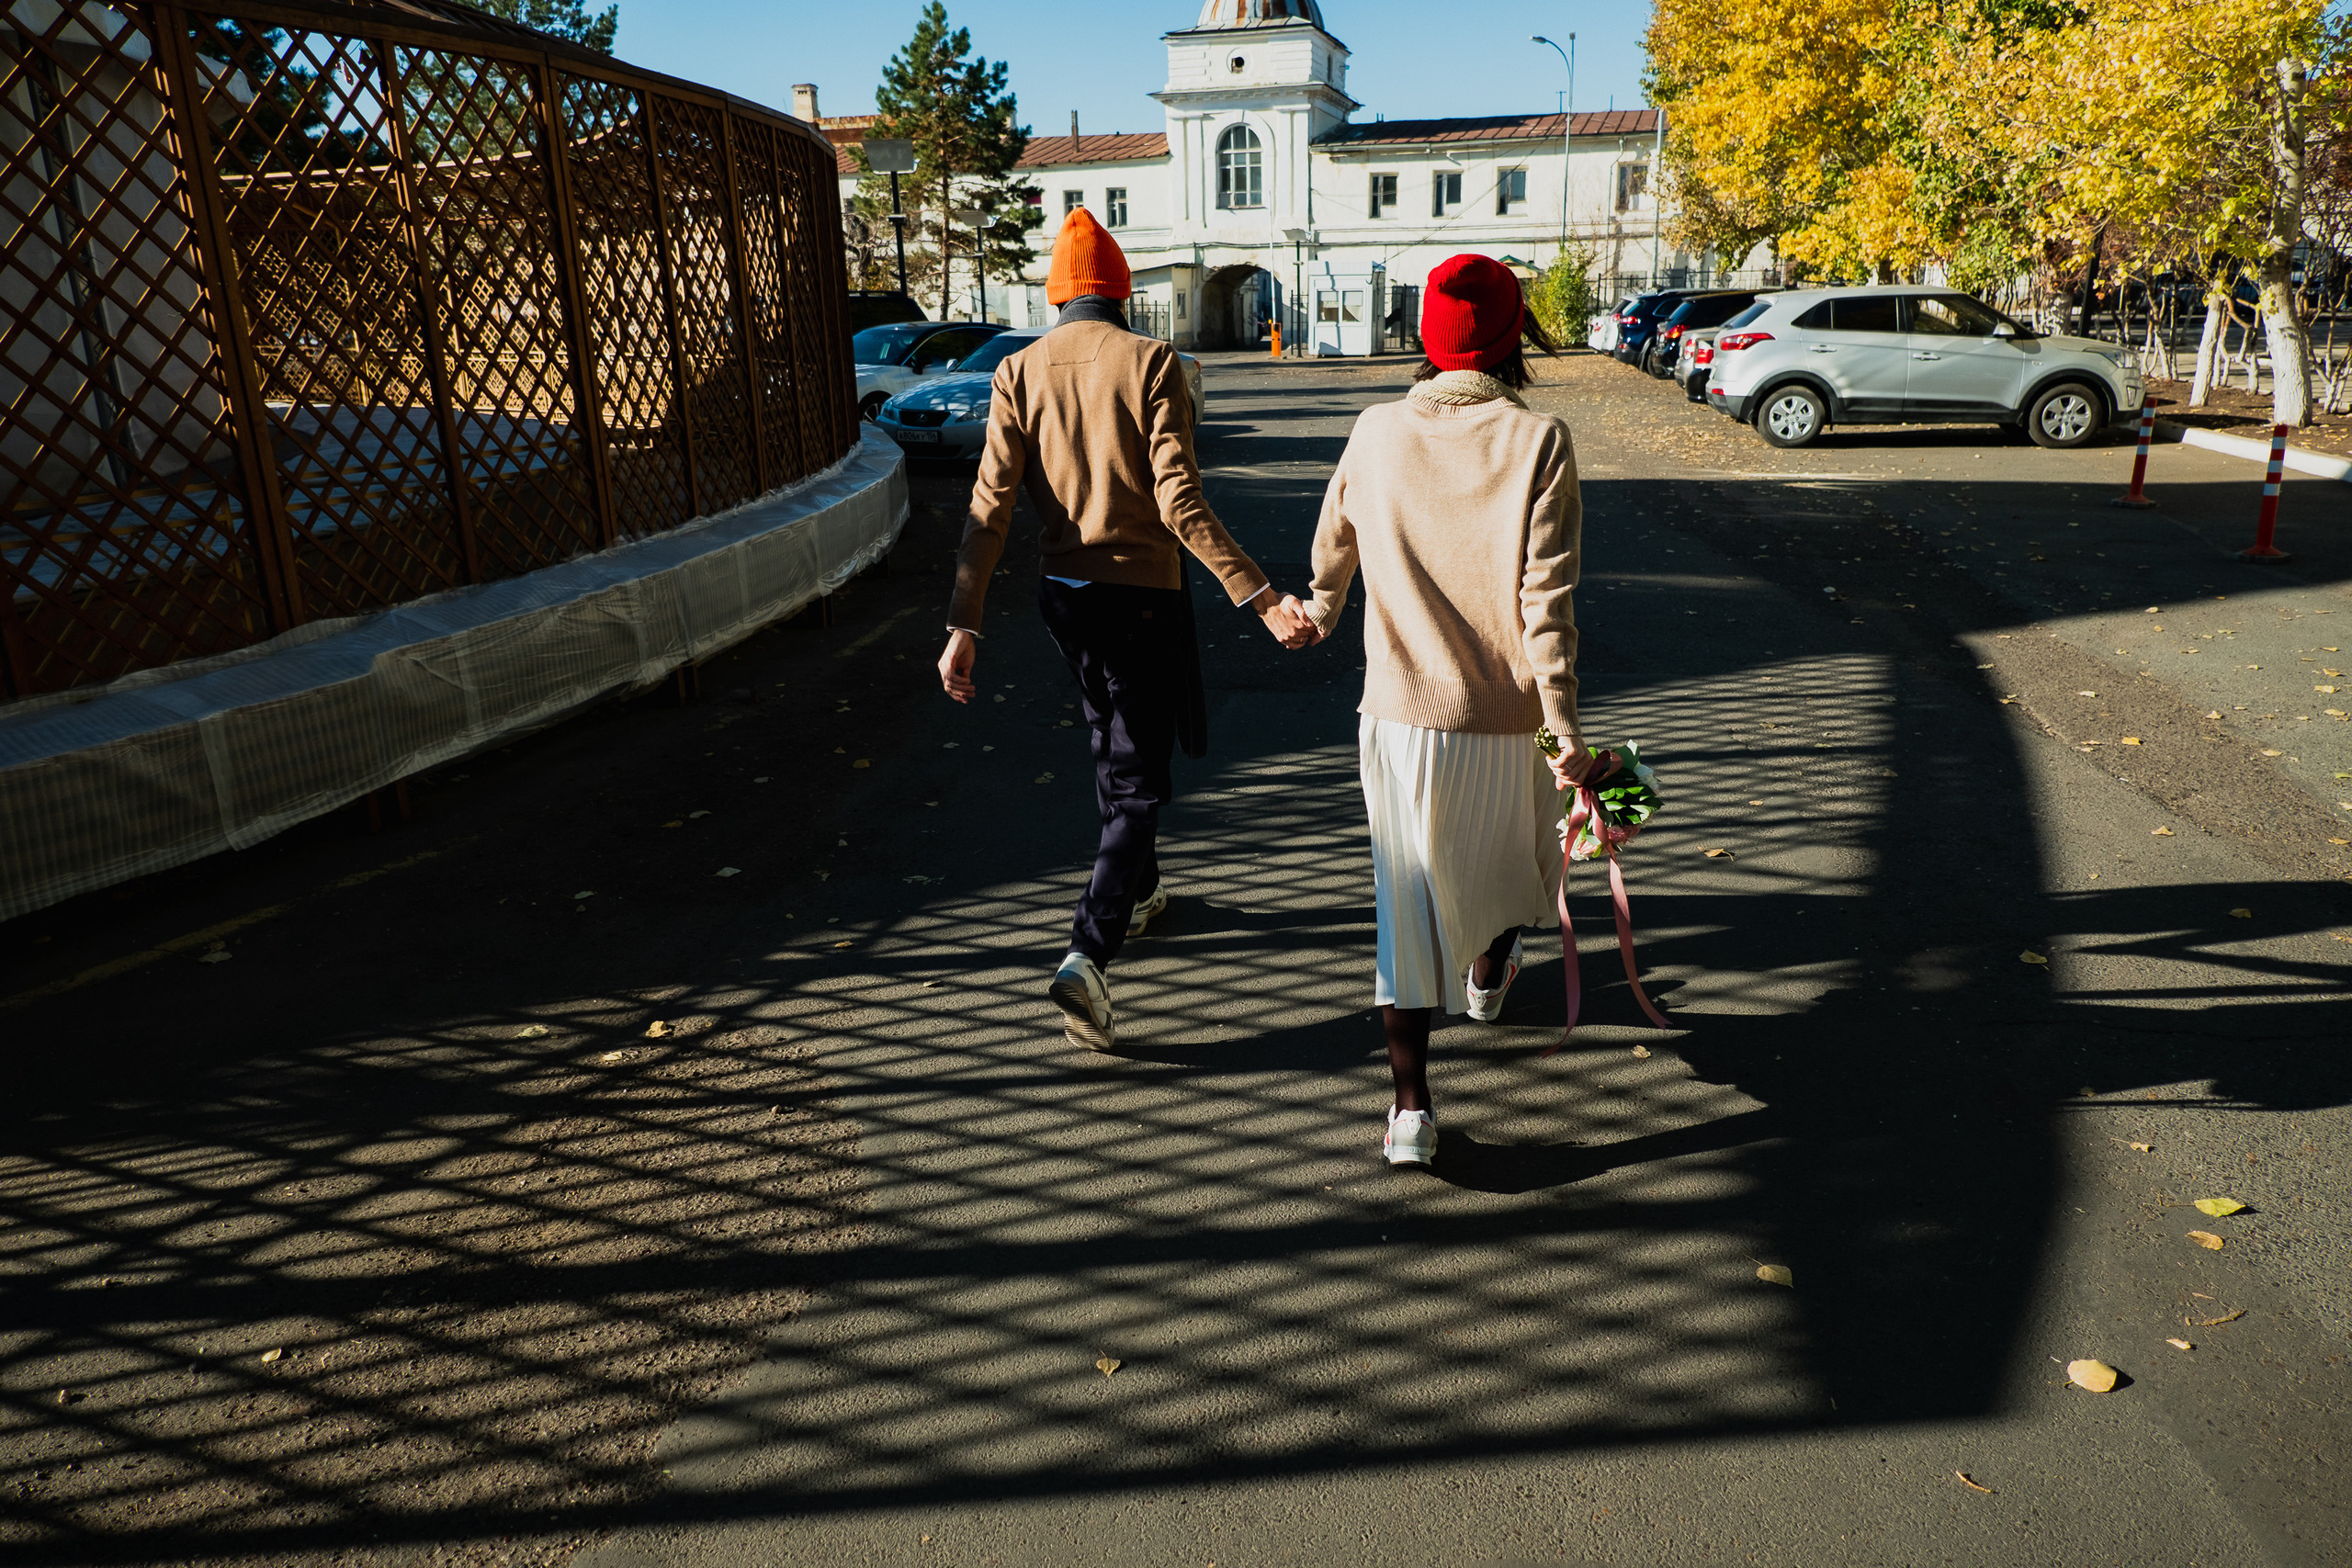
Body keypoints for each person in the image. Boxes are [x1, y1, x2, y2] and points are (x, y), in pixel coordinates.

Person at [937, 208, 1317, 1053]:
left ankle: (1138, 888)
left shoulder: (1017, 371)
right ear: (1118, 290)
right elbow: (1180, 501)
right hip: (1141, 594)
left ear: (1057, 293)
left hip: (1064, 596)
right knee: (1139, 777)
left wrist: (963, 620)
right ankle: (1089, 949)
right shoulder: (1153, 363)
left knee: (1109, 742)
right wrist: (1259, 598)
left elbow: (988, 508)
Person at [1303, 254, 1613, 1170]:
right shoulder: (1539, 439)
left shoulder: (1372, 430)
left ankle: (1409, 1110)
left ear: (1426, 340)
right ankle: (1487, 973)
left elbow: (1334, 540)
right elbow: (1543, 602)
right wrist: (1565, 729)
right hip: (1506, 715)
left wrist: (1320, 610)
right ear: (1511, 336)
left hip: (1398, 715)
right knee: (1517, 855)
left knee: (1405, 908)